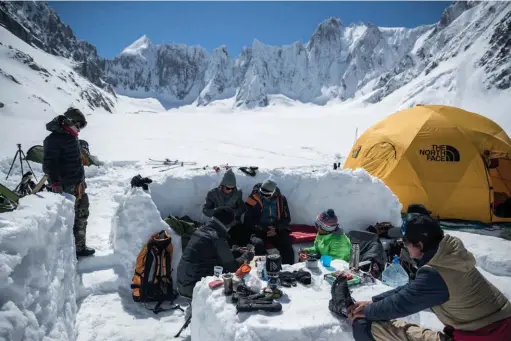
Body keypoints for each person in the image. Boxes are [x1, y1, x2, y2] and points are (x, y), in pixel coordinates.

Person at [347, 215, 511, 341]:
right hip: (493, 329)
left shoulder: (437, 273)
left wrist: (366, 311)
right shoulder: (449, 256)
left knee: (367, 327)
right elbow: (412, 289)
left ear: (420, 245)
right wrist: (374, 302)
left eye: (405, 242)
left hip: (487, 335)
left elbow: (401, 304)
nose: (403, 246)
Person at [43, 107, 95, 257]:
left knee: (82, 215)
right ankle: (67, 253)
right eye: (78, 125)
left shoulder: (71, 136)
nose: (79, 129)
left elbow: (76, 161)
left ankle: (80, 247)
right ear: (68, 121)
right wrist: (55, 184)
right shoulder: (53, 140)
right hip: (65, 187)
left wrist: (82, 181)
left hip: (78, 185)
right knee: (68, 220)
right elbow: (49, 164)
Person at [176, 206, 255, 299]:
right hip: (194, 287)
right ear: (226, 223)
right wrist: (246, 256)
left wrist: (235, 251)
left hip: (183, 283)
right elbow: (232, 267)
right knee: (231, 278)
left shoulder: (202, 231)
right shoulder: (217, 237)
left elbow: (212, 253)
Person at [244, 179, 294, 265]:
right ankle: (261, 269)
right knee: (257, 245)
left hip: (275, 229)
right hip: (259, 229)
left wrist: (277, 228)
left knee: (286, 245)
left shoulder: (281, 199)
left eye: (267, 195)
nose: (264, 196)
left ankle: (288, 268)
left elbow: (286, 219)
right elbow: (248, 220)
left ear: (273, 192)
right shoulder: (253, 198)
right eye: (262, 193)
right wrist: (262, 228)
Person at [202, 169, 248, 246]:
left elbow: (242, 207)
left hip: (233, 223)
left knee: (243, 238)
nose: (230, 190)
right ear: (222, 185)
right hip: (219, 224)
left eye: (232, 188)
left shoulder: (237, 193)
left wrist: (234, 213)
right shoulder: (213, 194)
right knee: (220, 243)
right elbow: (205, 210)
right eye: (228, 188)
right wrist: (216, 211)